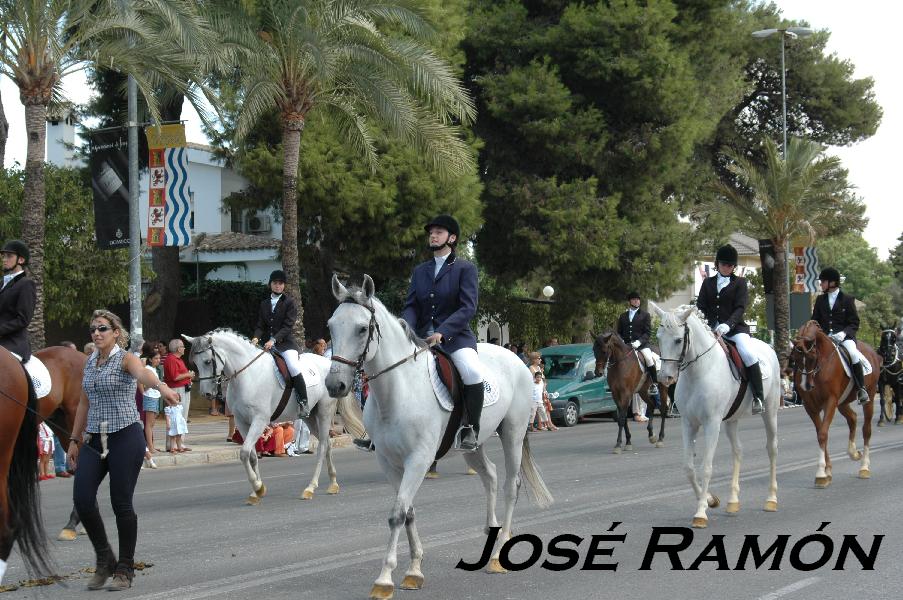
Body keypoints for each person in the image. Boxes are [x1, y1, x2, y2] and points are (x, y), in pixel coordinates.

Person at [66, 309, 179, 590]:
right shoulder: (90, 362)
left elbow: (144, 374)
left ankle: (125, 569)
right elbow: (84, 403)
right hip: (95, 438)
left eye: (102, 328)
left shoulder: (126, 359)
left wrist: (162, 388)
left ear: (116, 333)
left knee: (121, 503)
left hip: (125, 436)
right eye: (93, 329)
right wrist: (74, 440)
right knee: (82, 499)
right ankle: (105, 559)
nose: (96, 333)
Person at [403, 214, 483, 451]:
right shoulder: (420, 271)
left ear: (452, 238)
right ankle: (376, 431)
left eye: (438, 232)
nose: (433, 236)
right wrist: (405, 327)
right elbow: (411, 305)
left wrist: (443, 332)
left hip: (454, 338)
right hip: (419, 337)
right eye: (431, 233)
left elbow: (468, 307)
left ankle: (471, 428)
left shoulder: (465, 269)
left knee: (472, 371)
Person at [696, 244, 765, 414]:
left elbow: (740, 307)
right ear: (717, 264)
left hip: (735, 330)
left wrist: (728, 324)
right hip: (711, 329)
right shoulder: (707, 283)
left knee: (748, 353)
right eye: (723, 264)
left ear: (734, 267)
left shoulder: (740, 283)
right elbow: (701, 306)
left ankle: (758, 397)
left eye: (730, 265)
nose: (726, 267)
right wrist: (712, 324)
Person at [251, 269, 309, 417]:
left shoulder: (289, 303)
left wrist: (273, 339)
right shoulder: (264, 304)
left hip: (286, 344)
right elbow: (260, 325)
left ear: (284, 285)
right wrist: (256, 338)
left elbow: (287, 326)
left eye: (281, 283)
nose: (278, 286)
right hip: (267, 345)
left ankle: (303, 402)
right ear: (270, 284)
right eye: (275, 283)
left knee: (293, 366)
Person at [811, 267, 869, 404]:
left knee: (853, 354)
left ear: (832, 283)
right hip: (825, 338)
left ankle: (861, 389)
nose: (821, 284)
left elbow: (854, 322)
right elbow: (815, 320)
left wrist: (843, 334)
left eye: (823, 281)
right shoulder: (820, 300)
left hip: (844, 338)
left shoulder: (847, 299)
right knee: (807, 353)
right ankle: (807, 385)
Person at [0, 239, 36, 362]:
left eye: (9, 256)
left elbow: (23, 319)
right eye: (3, 256)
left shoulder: (26, 284)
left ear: (21, 260)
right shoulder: (2, 283)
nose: (4, 259)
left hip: (13, 343)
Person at [616, 291, 658, 384]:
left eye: (638, 300)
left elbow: (647, 332)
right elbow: (619, 332)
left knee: (649, 359)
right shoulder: (623, 316)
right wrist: (621, 340)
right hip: (626, 345)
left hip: (641, 346)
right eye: (634, 299)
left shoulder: (645, 315)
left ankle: (654, 383)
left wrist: (639, 342)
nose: (637, 301)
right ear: (630, 301)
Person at [163, 339, 194, 447]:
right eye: (182, 346)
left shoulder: (177, 359)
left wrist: (188, 376)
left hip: (182, 388)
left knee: (181, 417)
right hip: (177, 389)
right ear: (178, 348)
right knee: (176, 417)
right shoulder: (171, 359)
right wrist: (188, 375)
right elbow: (175, 377)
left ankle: (179, 443)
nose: (184, 348)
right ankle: (172, 444)